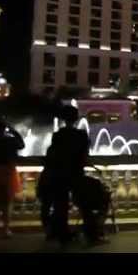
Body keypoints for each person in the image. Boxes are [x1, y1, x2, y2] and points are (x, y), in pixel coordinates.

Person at [42, 105, 94, 245]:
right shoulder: (81, 135)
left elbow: (54, 154)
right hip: (76, 173)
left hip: (60, 174)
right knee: (84, 204)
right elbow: (85, 153)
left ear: (63, 119)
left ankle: (63, 235)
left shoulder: (58, 135)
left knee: (61, 206)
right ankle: (91, 234)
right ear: (76, 119)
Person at [0, 118, 24, 238]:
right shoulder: (9, 141)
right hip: (7, 173)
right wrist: (13, 130)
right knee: (6, 203)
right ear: (4, 129)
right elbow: (22, 145)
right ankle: (5, 229)